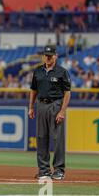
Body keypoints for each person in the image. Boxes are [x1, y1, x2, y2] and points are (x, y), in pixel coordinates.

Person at [29, 45, 71, 180]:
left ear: (56, 56)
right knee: (41, 137)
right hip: (41, 104)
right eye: (46, 55)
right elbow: (33, 90)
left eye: (50, 55)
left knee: (57, 138)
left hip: (55, 105)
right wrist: (31, 107)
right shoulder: (38, 71)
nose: (47, 57)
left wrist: (62, 111)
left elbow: (67, 93)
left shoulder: (62, 72)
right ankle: (44, 170)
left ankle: (59, 170)